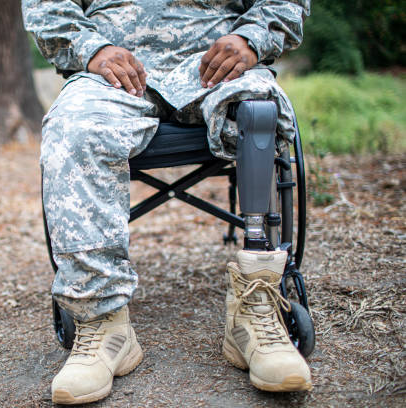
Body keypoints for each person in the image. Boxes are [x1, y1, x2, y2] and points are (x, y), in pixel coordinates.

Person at [23, 0, 312, 404]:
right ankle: (103, 324)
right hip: (113, 70)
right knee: (73, 126)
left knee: (260, 107)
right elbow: (49, 7)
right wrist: (91, 48)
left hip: (216, 63)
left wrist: (251, 38)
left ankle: (254, 311)